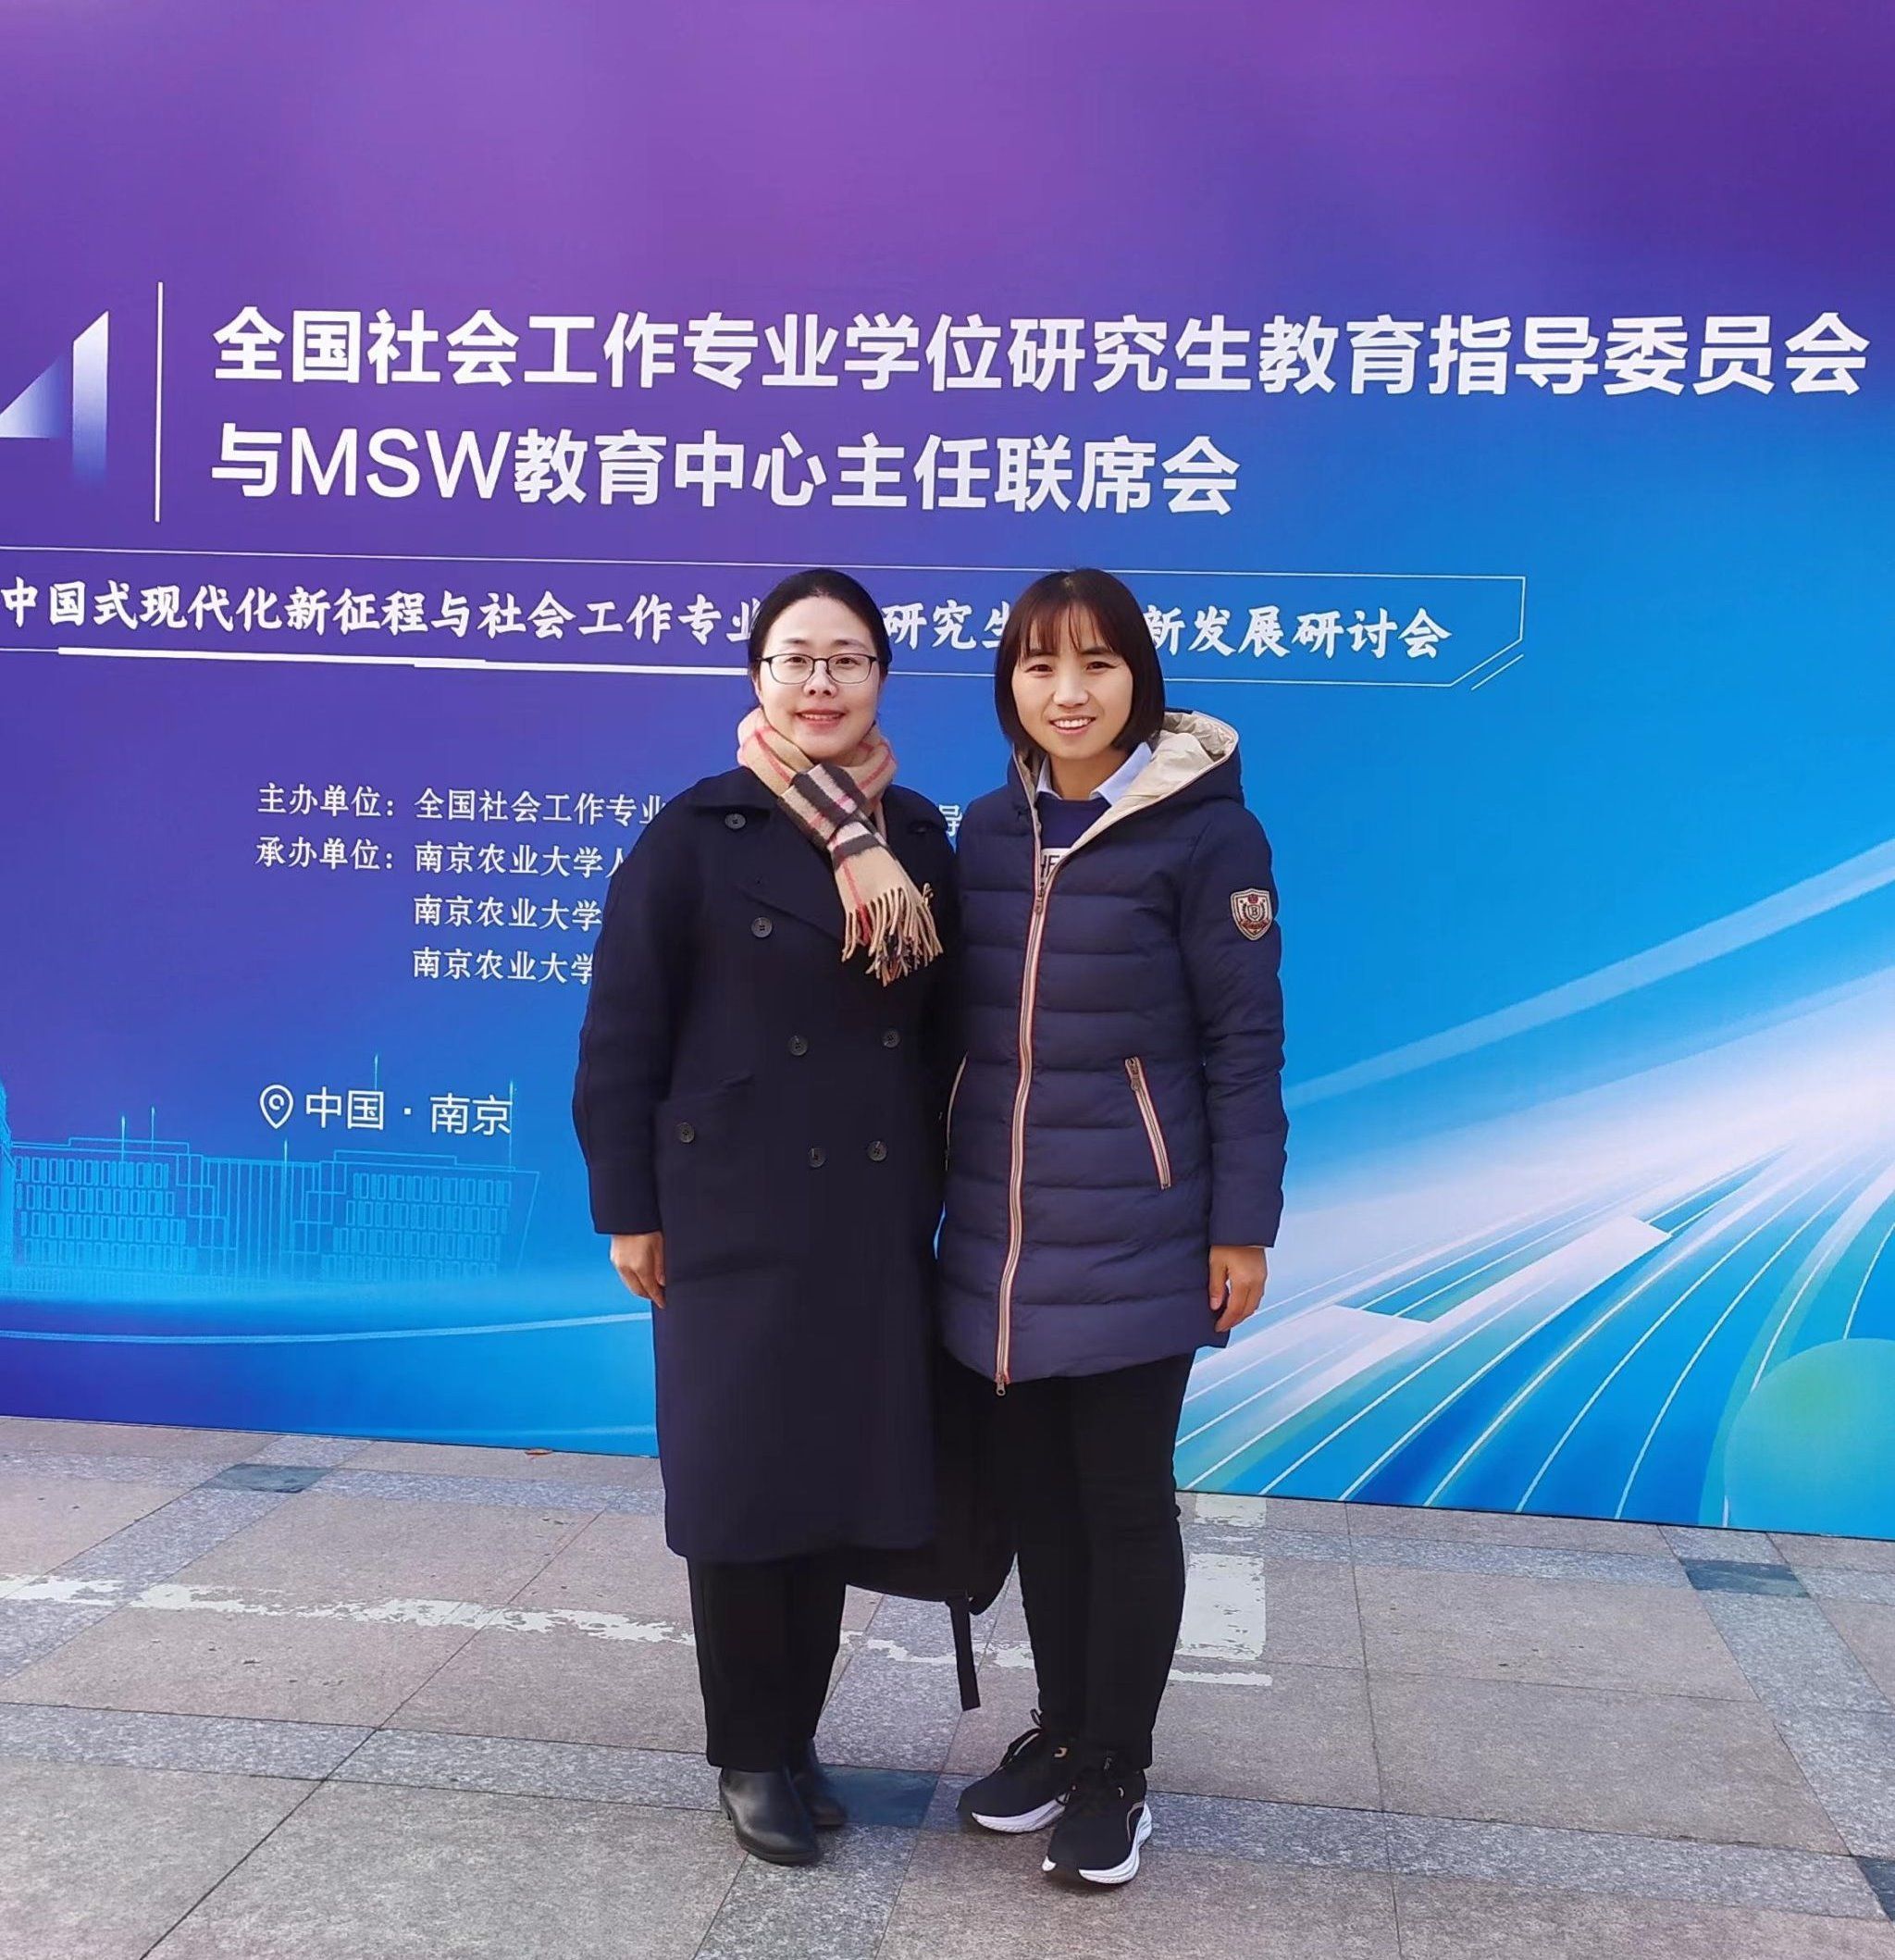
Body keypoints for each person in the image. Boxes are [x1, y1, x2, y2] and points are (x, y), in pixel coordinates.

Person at [573, 568, 958, 1867]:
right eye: (797, 658)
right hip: (727, 1211)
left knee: (829, 1482)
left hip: (868, 1213)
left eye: (847, 659)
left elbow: (946, 1038)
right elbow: (622, 1035)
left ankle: (796, 1737)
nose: (821, 683)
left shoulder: (918, 838)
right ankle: (747, 1751)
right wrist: (630, 1208)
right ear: (758, 677)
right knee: (741, 1485)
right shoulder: (695, 832)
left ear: (881, 678)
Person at [939, 567, 1286, 1888]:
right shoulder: (986, 830)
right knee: (1038, 1504)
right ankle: (1065, 1730)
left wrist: (1241, 1225)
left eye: (1096, 663)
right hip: (1001, 1237)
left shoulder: (1207, 837)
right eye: (1039, 666)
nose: (1068, 692)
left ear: (1139, 674)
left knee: (1122, 1500)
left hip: (1143, 1226)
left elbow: (1243, 1044)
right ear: (1009, 687)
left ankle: (1116, 1769)